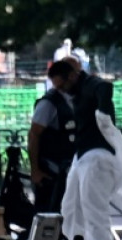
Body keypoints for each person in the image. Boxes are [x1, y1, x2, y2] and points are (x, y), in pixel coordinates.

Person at [56, 60, 122, 240]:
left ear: (72, 75)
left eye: (61, 85)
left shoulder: (89, 84)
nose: (61, 91)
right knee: (70, 207)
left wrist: (103, 114)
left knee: (94, 212)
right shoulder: (78, 92)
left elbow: (106, 87)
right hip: (83, 154)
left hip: (96, 156)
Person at [28, 60, 77, 213]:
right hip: (52, 171)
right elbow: (34, 135)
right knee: (49, 215)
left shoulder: (77, 99)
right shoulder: (49, 104)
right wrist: (35, 170)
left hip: (71, 168)